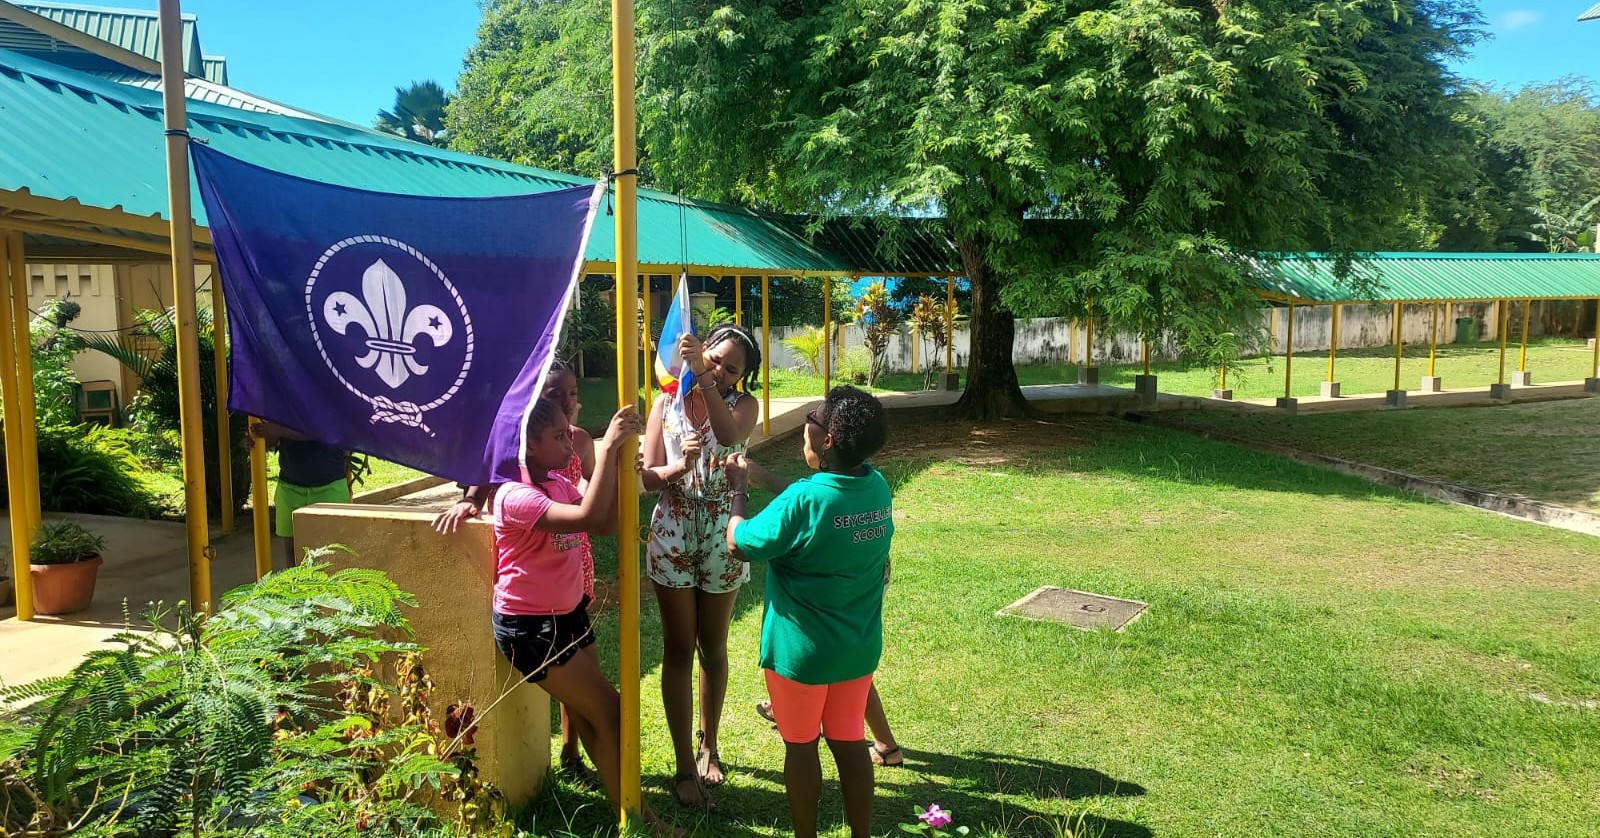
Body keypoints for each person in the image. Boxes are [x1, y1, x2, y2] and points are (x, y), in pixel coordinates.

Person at [490, 397, 674, 834]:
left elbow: (607, 522)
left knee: (597, 714)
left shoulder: (555, 481)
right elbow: (589, 517)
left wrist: (615, 471)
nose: (569, 442)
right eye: (558, 436)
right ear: (527, 445)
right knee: (610, 711)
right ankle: (638, 817)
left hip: (568, 615)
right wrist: (607, 448)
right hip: (531, 628)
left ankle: (627, 812)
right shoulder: (515, 495)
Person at [723, 385, 892, 838]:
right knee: (849, 741)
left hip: (802, 655)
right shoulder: (876, 487)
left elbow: (739, 543)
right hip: (856, 651)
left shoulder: (803, 502)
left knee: (800, 747)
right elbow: (819, 502)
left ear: (828, 440)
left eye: (812, 421)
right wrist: (765, 479)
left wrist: (739, 491)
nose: (806, 427)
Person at [432, 361, 601, 783]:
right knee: (572, 672)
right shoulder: (525, 446)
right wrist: (471, 500)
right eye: (555, 394)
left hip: (573, 551)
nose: (566, 401)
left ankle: (577, 746)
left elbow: (592, 490)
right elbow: (496, 467)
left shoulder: (577, 440)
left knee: (581, 666)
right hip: (542, 557)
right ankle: (571, 752)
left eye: (571, 393)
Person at [639, 323, 762, 807]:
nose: (722, 372)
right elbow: (649, 477)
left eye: (733, 370)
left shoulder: (741, 407)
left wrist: (703, 379)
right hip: (672, 527)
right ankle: (683, 765)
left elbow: (730, 437)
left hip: (719, 530)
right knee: (677, 649)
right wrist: (677, 468)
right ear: (701, 346)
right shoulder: (664, 403)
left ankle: (709, 745)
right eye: (716, 359)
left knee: (713, 645)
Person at [251, 419, 350, 568]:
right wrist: (257, 440)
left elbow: (325, 430)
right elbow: (271, 438)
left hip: (330, 487)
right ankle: (295, 589)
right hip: (290, 487)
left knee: (331, 552)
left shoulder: (331, 397)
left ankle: (329, 591)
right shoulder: (285, 401)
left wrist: (279, 429)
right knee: (293, 551)